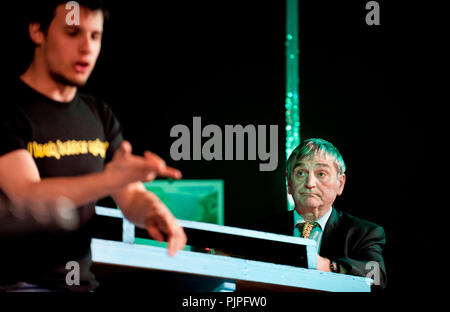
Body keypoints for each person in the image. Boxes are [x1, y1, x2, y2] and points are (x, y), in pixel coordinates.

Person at [0, 0, 186, 292]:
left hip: (79, 285)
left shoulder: (99, 114)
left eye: (95, 36)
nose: (86, 48)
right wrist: (109, 179)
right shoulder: (8, 109)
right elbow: (27, 195)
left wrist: (152, 210)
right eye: (73, 33)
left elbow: (129, 194)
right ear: (38, 32)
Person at [253, 138, 386, 289]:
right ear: (289, 183)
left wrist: (329, 266)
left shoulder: (363, 233)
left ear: (340, 184)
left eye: (321, 174)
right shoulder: (262, 231)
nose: (310, 183)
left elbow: (377, 275)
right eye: (301, 173)